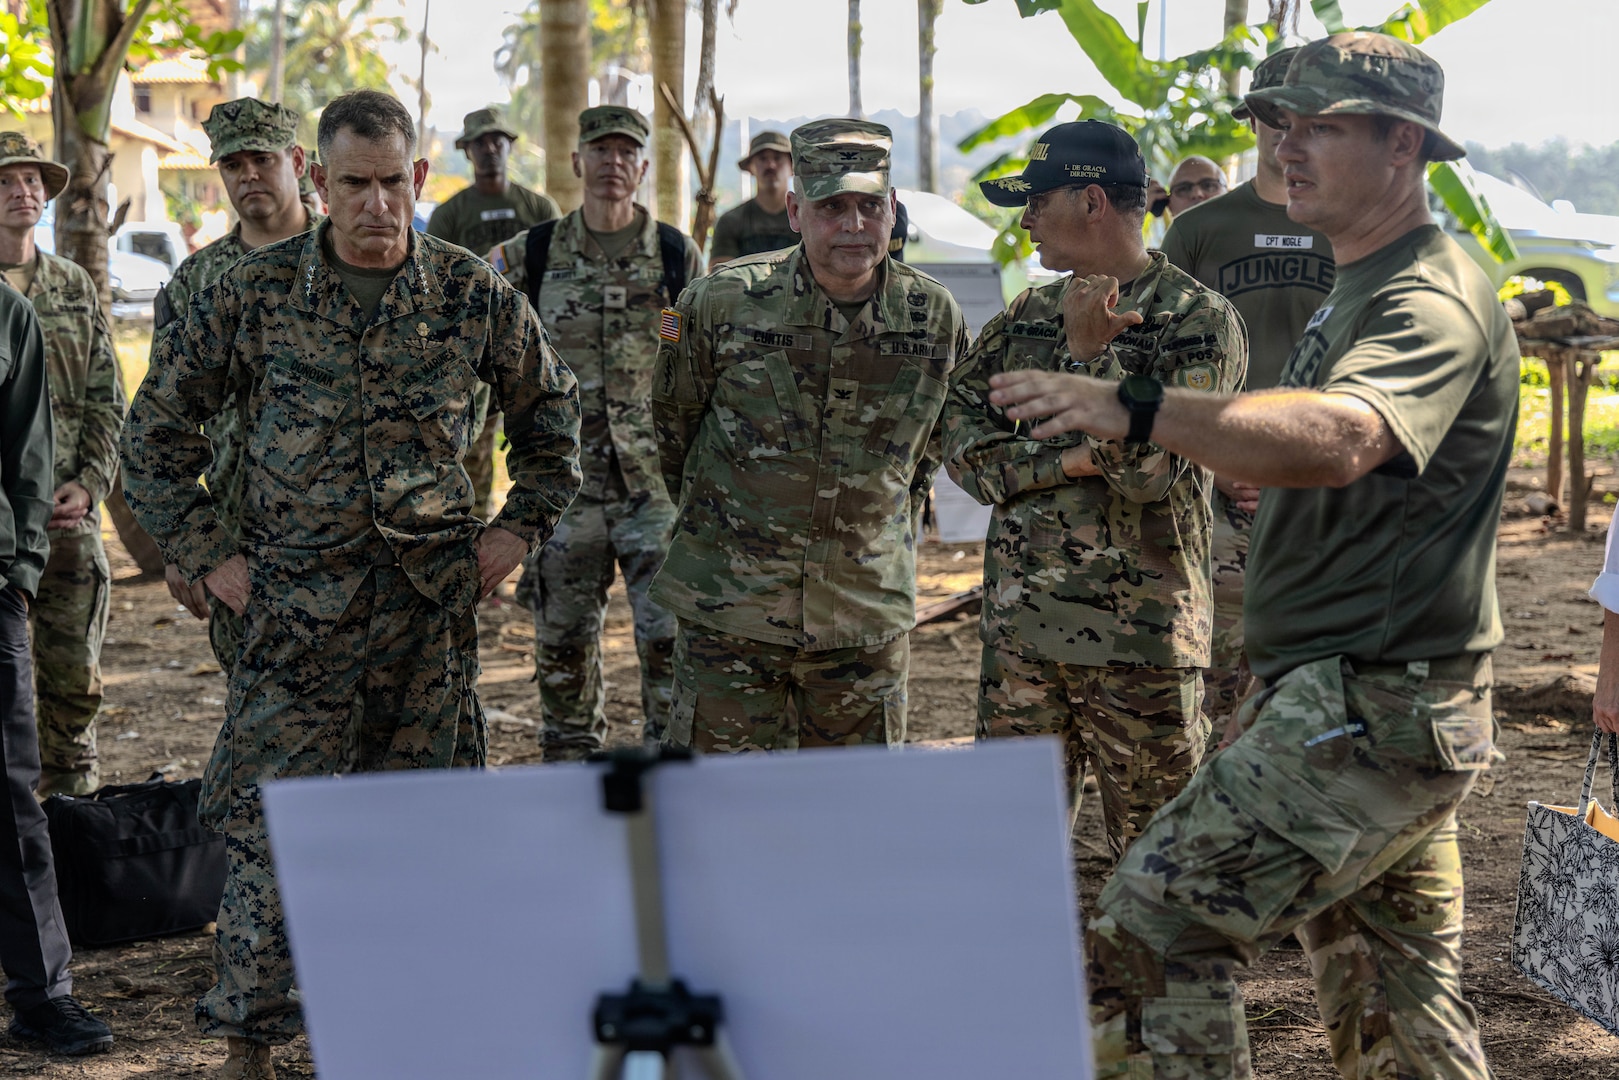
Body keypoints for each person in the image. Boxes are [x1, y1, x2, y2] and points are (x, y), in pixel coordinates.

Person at [987, 33, 1511, 1079]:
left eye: (1318, 125)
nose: (1285, 148)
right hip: (1348, 696)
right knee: (1395, 1013)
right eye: (1277, 125)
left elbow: (1349, 434)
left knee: (1153, 925)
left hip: (1374, 705)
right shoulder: (1356, 281)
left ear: (1401, 144)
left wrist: (1129, 404)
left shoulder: (1426, 294)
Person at [120, 89, 582, 1079]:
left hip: (425, 620)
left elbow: (553, 423)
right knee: (272, 826)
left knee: (424, 828)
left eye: (392, 183)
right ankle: (251, 1040)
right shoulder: (249, 293)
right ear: (319, 184)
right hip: (294, 621)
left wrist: (513, 531)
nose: (376, 206)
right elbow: (154, 438)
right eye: (353, 185)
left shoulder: (471, 293)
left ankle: (410, 1023)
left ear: (419, 181)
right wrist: (205, 551)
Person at [945, 120, 1246, 858]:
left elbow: (1150, 474)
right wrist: (1063, 463)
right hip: (1020, 639)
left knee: (1158, 872)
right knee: (1007, 860)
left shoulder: (1199, 322)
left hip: (1138, 645)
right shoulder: (1028, 313)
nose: (1023, 220)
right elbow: (952, 436)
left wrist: (1090, 358)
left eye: (1034, 201)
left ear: (1088, 202)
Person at [651, 118, 967, 752]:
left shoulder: (932, 315)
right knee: (721, 812)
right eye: (831, 207)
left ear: (892, 210)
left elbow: (929, 450)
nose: (853, 224)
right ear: (795, 210)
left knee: (850, 820)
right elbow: (674, 427)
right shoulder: (715, 304)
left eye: (868, 206)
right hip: (731, 608)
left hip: (863, 615)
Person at [488, 105, 700, 757]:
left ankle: (669, 770)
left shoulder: (672, 254)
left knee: (668, 640)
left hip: (651, 487)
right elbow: (486, 339)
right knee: (562, 646)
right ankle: (571, 772)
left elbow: (686, 350)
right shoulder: (534, 254)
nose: (612, 164)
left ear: (642, 168)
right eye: (599, 151)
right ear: (577, 163)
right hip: (561, 490)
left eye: (625, 153)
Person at [1161, 47, 1335, 739]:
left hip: (1326, 488)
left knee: (1320, 685)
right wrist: (1215, 457)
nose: (1282, 134)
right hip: (1218, 497)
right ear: (1252, 123)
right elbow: (1152, 362)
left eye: (1302, 117)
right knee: (1219, 683)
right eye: (1268, 116)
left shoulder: (1353, 229)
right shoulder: (1200, 231)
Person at [153, 99, 321, 678]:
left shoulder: (352, 257)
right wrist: (184, 544)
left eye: (261, 158)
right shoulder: (196, 285)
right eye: (232, 164)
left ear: (296, 160)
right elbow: (161, 426)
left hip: (352, 535)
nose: (247, 174)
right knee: (262, 723)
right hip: (241, 540)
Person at [0, 265, 114, 1058]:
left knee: (11, 801)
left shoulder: (9, 315)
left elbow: (28, 452)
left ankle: (43, 997)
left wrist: (19, 572)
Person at [0, 132, 125, 797]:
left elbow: (109, 393)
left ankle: (77, 831)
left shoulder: (72, 286)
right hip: (1, 535)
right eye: (7, 181)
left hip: (69, 529)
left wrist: (90, 483)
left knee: (75, 692)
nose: (25, 192)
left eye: (33, 181)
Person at [430, 106, 562, 522]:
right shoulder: (449, 215)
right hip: (476, 355)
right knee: (474, 452)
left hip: (533, 350)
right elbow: (437, 288)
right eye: (481, 142)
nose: (491, 149)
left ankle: (544, 549)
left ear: (509, 146)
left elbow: (557, 279)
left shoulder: (539, 209)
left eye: (498, 141)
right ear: (467, 151)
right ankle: (478, 538)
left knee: (546, 446)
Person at [708, 130, 796, 267]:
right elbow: (721, 278)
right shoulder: (731, 222)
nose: (770, 165)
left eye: (778, 158)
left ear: (792, 167)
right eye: (762, 159)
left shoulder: (807, 219)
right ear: (750, 168)